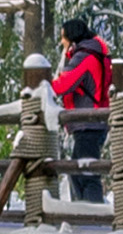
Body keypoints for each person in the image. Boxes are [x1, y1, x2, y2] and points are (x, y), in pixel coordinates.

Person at [50, 17, 117, 205]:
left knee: (86, 173)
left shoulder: (84, 56)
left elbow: (64, 84)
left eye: (63, 37)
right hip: (92, 122)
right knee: (78, 171)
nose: (61, 41)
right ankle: (85, 213)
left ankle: (92, 217)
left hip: (88, 122)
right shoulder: (93, 52)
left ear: (72, 36)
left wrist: (41, 87)